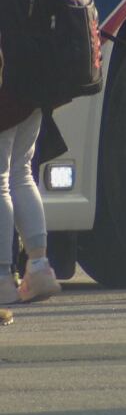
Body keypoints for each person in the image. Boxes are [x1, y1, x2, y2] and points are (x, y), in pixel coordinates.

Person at [0, 36, 61, 304]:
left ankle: (2, 278)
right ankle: (39, 268)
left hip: (5, 82)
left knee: (2, 179)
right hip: (34, 80)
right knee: (20, 173)